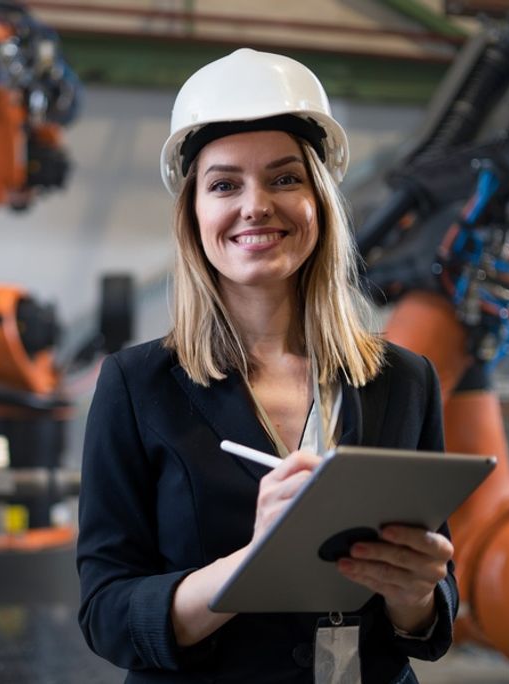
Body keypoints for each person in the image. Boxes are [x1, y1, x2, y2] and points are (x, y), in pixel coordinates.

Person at [76, 48, 457, 683]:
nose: (255, 206)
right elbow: (107, 613)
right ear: (195, 214)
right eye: (225, 184)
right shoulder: (137, 386)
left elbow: (431, 618)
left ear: (319, 203)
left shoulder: (403, 380)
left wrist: (416, 592)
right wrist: (257, 561)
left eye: (284, 178)